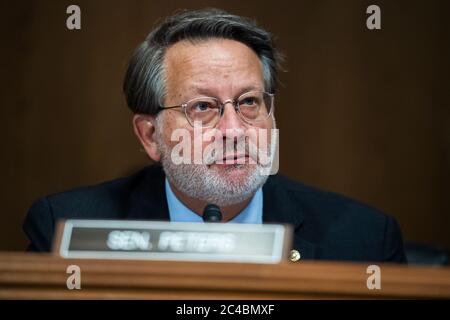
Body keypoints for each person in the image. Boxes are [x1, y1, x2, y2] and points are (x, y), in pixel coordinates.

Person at [23, 8, 407, 263]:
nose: (235, 131)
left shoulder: (364, 241)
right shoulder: (65, 231)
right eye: (202, 107)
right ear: (150, 135)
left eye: (249, 102)